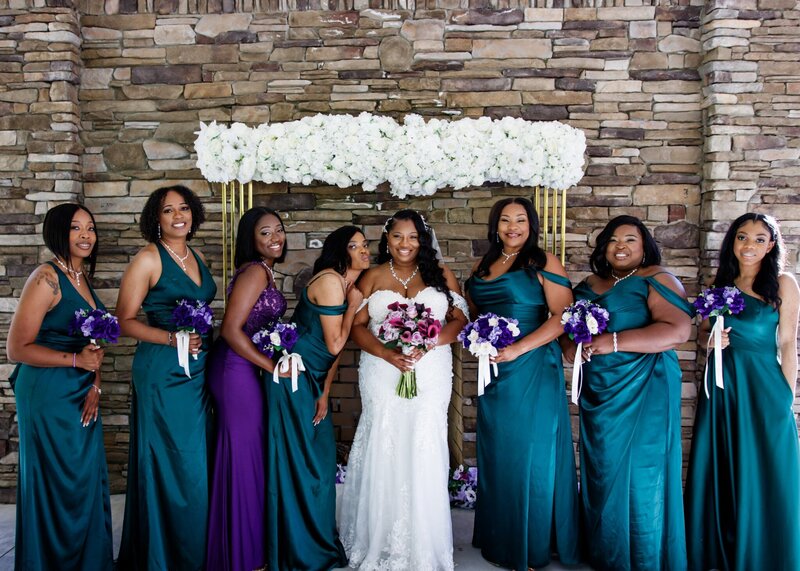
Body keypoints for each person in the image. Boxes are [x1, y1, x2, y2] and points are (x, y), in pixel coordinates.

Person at [339, 210, 469, 571]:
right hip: (383, 370)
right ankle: (379, 538)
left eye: (412, 237)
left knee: (424, 442)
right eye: (397, 236)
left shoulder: (440, 275)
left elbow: (460, 319)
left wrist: (430, 343)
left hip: (430, 371)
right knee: (386, 439)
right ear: (386, 239)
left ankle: (425, 542)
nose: (405, 244)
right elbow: (358, 325)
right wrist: (386, 352)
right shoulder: (373, 276)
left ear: (423, 240)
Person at [565, 215, 691, 571]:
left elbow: (678, 330)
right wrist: (576, 348)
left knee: (641, 471)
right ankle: (607, 551)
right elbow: (568, 334)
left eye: (630, 240)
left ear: (645, 246)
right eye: (613, 240)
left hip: (646, 386)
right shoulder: (589, 284)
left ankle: (642, 556)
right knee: (601, 468)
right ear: (603, 246)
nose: (621, 246)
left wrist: (615, 342)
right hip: (599, 392)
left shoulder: (657, 278)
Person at [465, 197, 580, 570]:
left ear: (531, 224)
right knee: (499, 453)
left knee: (532, 454)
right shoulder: (482, 266)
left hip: (531, 365)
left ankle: (531, 544)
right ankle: (501, 536)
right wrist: (478, 339)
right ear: (494, 226)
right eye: (504, 220)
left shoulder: (543, 262)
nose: (512, 227)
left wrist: (518, 349)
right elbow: (474, 314)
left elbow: (564, 317)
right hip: (495, 372)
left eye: (520, 220)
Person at [684, 213, 800, 571]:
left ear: (771, 245)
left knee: (768, 465)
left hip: (764, 386)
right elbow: (702, 334)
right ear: (732, 242)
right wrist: (709, 340)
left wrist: (787, 396)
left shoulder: (783, 283)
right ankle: (721, 547)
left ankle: (767, 552)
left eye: (759, 239)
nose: (749, 245)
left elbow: (788, 341)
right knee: (723, 460)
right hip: (724, 386)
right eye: (742, 237)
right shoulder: (719, 285)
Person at [116, 185, 217, 570]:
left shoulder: (197, 254)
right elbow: (124, 321)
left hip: (198, 369)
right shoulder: (148, 259)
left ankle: (196, 549)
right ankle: (168, 555)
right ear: (155, 218)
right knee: (177, 462)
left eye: (184, 207)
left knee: (197, 459)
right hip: (163, 371)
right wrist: (171, 337)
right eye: (168, 210)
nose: (179, 215)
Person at [7, 203, 112, 570]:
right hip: (48, 391)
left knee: (82, 481)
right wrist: (75, 362)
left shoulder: (82, 277)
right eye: (75, 228)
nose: (86, 235)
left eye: (90, 228)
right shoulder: (46, 278)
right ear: (57, 233)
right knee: (56, 483)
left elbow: (93, 347)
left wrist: (95, 382)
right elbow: (16, 348)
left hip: (81, 390)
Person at [265, 225, 369, 571]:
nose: (365, 250)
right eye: (356, 246)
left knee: (320, 464)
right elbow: (337, 342)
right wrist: (355, 306)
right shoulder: (329, 282)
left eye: (366, 245)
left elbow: (335, 351)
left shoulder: (346, 286)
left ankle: (315, 540)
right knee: (303, 466)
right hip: (293, 379)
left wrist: (325, 391)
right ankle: (300, 549)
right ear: (341, 252)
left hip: (314, 380)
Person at [206, 207, 288, 571]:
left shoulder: (266, 271)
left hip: (244, 369)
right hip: (234, 370)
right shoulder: (255, 271)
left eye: (279, 231)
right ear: (252, 241)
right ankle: (241, 557)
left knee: (247, 457)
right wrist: (270, 366)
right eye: (265, 233)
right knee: (243, 459)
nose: (275, 238)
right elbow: (230, 329)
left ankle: (242, 549)